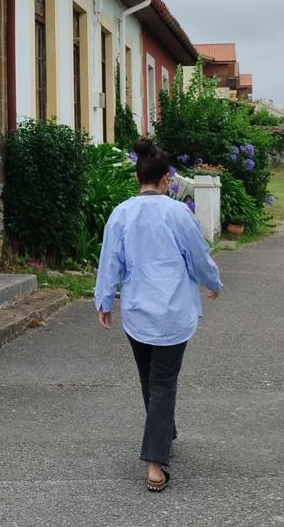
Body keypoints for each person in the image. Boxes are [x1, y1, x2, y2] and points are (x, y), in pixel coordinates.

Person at [94, 137, 222, 492]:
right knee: (163, 382)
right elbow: (198, 255)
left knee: (150, 379)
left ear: (138, 177)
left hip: (137, 312)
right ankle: (154, 462)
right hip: (173, 312)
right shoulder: (179, 213)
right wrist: (212, 282)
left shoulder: (121, 214)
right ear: (167, 179)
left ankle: (163, 432)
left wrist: (104, 301)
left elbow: (110, 262)